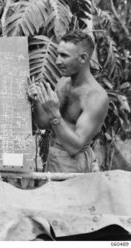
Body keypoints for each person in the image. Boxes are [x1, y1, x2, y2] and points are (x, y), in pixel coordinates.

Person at [28, 30, 109, 173]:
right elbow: (44, 123)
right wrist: (37, 101)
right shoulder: (63, 82)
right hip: (54, 157)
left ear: (83, 58)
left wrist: (54, 113)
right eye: (58, 54)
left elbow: (74, 147)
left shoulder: (96, 97)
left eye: (64, 56)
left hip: (75, 164)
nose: (57, 61)